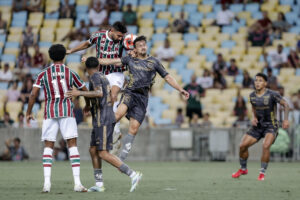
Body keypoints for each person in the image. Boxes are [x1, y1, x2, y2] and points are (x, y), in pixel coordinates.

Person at [90, 36, 190, 161]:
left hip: (142, 98)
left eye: (144, 44)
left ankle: (121, 158)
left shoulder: (154, 62)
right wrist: (94, 60)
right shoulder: (129, 59)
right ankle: (108, 140)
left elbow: (168, 77)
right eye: (140, 45)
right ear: (135, 49)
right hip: (130, 93)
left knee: (134, 128)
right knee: (117, 115)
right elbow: (112, 61)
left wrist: (180, 89)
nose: (143, 47)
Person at [67, 57, 143, 192]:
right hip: (98, 118)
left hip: (103, 118)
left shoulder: (95, 76)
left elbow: (99, 92)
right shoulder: (100, 76)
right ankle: (99, 184)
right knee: (93, 150)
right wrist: (89, 105)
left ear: (86, 68)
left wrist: (79, 92)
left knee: (102, 153)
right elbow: (96, 94)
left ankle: (133, 174)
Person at [26, 44, 89, 193]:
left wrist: (29, 111)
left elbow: (33, 94)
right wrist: (87, 105)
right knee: (72, 145)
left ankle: (47, 184)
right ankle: (77, 183)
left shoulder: (43, 74)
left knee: (48, 146)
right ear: (64, 56)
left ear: (50, 56)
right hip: (67, 111)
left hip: (50, 112)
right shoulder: (71, 73)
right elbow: (85, 90)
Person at [67, 21, 128, 151]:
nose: (120, 38)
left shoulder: (123, 41)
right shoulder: (98, 36)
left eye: (122, 36)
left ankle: (115, 130)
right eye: (118, 35)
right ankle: (110, 131)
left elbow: (133, 48)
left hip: (116, 73)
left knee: (113, 95)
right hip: (100, 74)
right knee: (101, 103)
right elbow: (86, 44)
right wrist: (72, 50)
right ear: (111, 30)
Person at [232, 73, 290, 181]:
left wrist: (286, 119)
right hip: (258, 126)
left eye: (260, 80)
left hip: (271, 125)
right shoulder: (252, 95)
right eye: (256, 80)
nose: (257, 83)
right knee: (242, 146)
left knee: (265, 145)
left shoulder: (273, 94)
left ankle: (262, 173)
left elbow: (286, 105)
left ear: (265, 83)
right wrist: (254, 117)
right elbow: (254, 107)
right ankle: (243, 169)